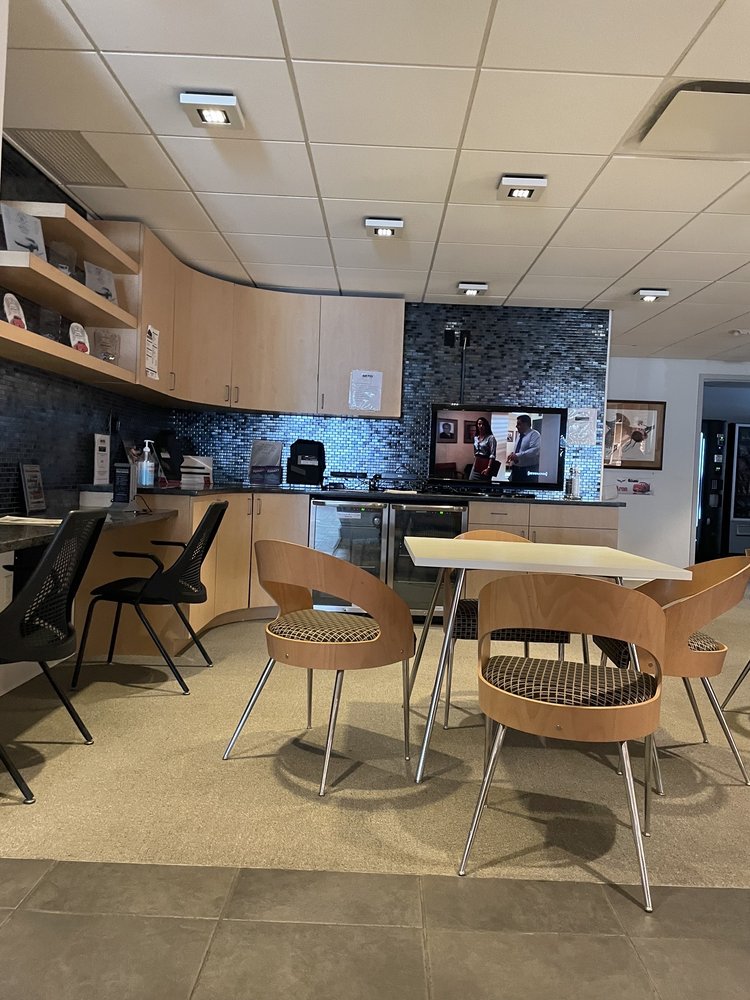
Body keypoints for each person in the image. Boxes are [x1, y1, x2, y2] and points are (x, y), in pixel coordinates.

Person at [506, 414, 541, 483]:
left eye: (519, 424)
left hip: (527, 470)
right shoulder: (519, 435)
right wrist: (513, 454)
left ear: (526, 424)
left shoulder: (534, 434)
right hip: (516, 469)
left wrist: (517, 455)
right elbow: (519, 449)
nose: (516, 426)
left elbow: (535, 450)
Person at [469, 416, 497, 481]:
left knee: (484, 484)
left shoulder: (491, 438)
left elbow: (492, 455)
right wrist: (475, 460)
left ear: (486, 426)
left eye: (483, 424)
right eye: (479, 424)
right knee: (471, 481)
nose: (481, 426)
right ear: (477, 425)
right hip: (476, 464)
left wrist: (488, 468)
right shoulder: (475, 438)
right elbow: (475, 451)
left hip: (486, 464)